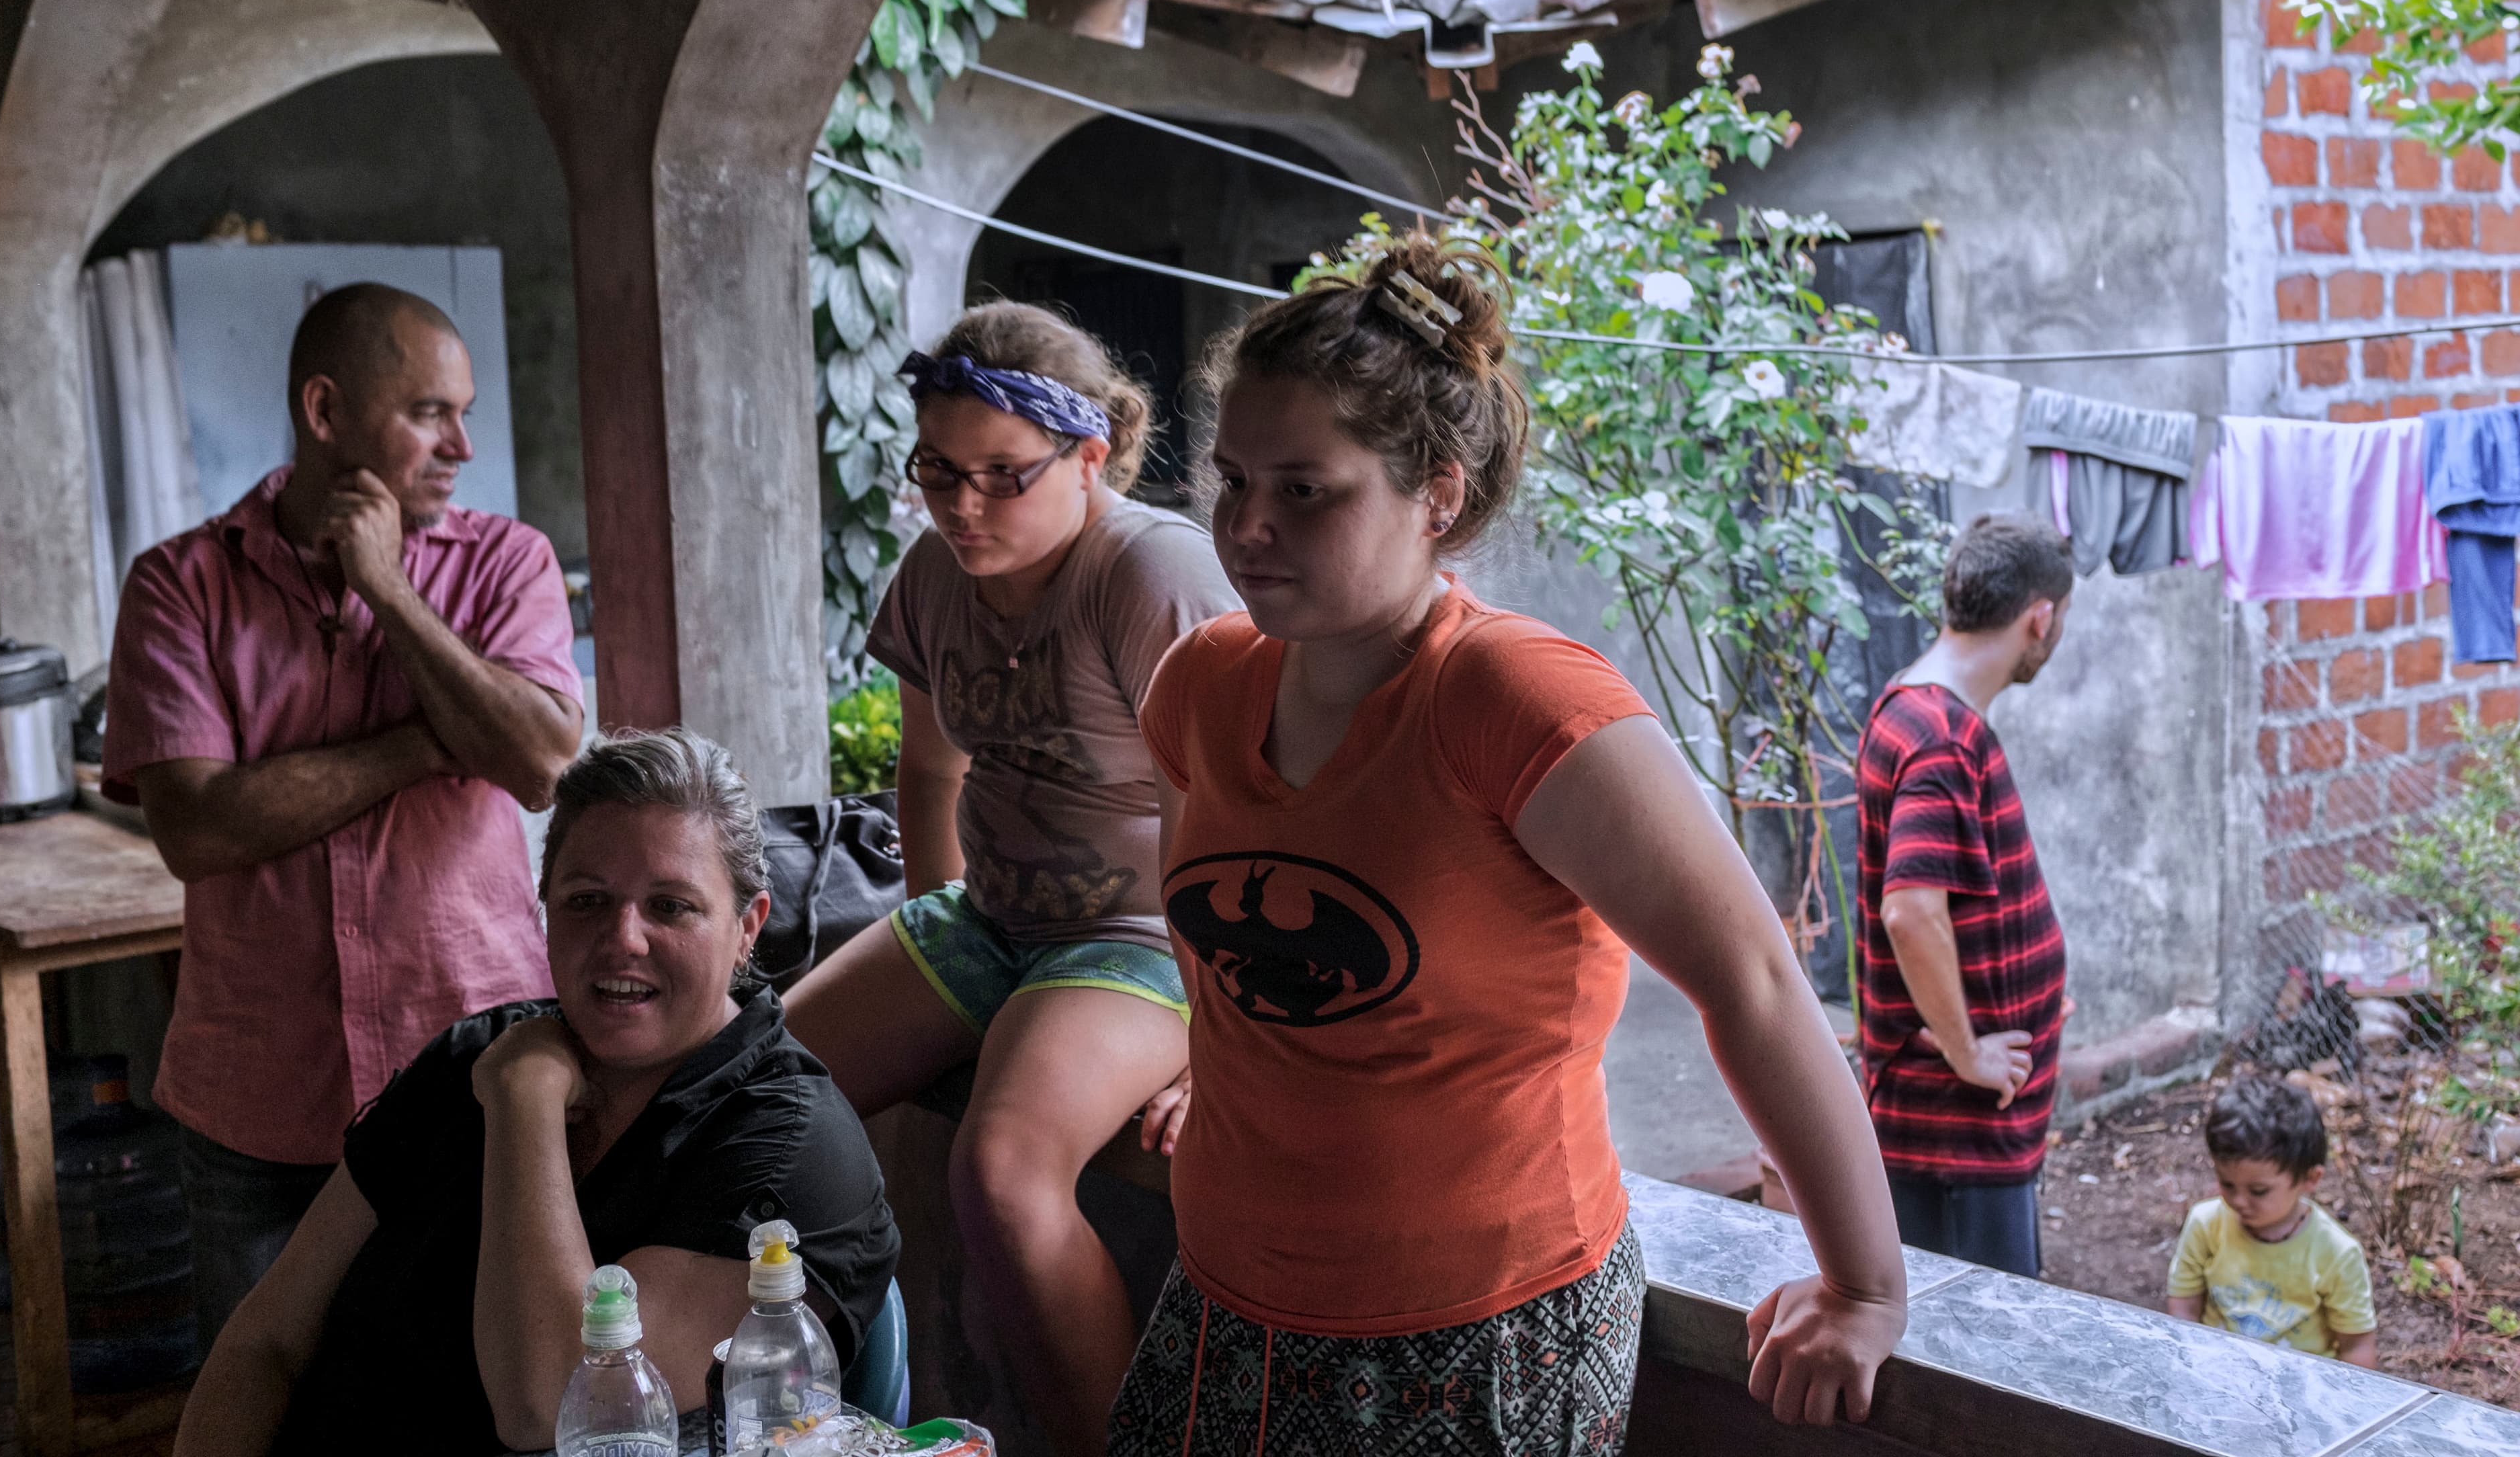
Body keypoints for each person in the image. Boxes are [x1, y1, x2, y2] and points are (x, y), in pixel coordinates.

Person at [1109, 237, 1907, 1456]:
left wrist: (1861, 1285)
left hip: (1480, 1330)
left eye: (1305, 490)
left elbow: (1750, 979)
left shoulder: (1516, 700)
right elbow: (1212, 955)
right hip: (1227, 1294)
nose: (1248, 525)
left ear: (1435, 494)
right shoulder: (1200, 683)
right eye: (1232, 480)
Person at [175, 728, 901, 1455]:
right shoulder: (472, 1059)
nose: (624, 937)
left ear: (747, 928)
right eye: (586, 900)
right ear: (544, 908)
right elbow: (266, 1343)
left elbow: (549, 1403)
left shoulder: (795, 1148)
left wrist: (525, 1102)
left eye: (671, 906)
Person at [784, 303, 1236, 1456]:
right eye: (939, 471)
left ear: (1089, 458)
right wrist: (938, 960)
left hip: (1143, 935)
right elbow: (931, 772)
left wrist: (1225, 1046)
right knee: (761, 1097)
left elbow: (1233, 817)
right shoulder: (936, 573)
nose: (964, 506)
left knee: (1003, 1171)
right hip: (991, 916)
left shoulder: (1150, 571)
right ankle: (838, 1410)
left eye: (1003, 475)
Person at [101, 281, 585, 1343]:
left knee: (481, 1392)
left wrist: (389, 590)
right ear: (325, 411)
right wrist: (428, 744)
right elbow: (198, 830)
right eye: (428, 413)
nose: (462, 445)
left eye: (464, 413)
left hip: (470, 1077)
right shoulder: (181, 585)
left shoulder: (508, 563)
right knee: (262, 1398)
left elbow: (540, 762)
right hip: (260, 1103)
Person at [1855, 512, 2073, 1276]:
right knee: (1986, 1333)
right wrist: (1967, 1049)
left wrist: (2030, 994)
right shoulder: (1943, 739)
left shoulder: (1909, 706)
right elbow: (1912, 913)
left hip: (1960, 1123)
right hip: (1956, 1129)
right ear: (2039, 617)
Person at [2166, 1076, 2377, 1365]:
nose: (2239, 1201)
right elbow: (2184, 1306)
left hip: (2301, 1383)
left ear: (2309, 1179)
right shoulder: (2205, 1224)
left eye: (2258, 1191)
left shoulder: (2337, 1254)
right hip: (2216, 1370)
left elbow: (2357, 1347)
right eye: (2227, 1184)